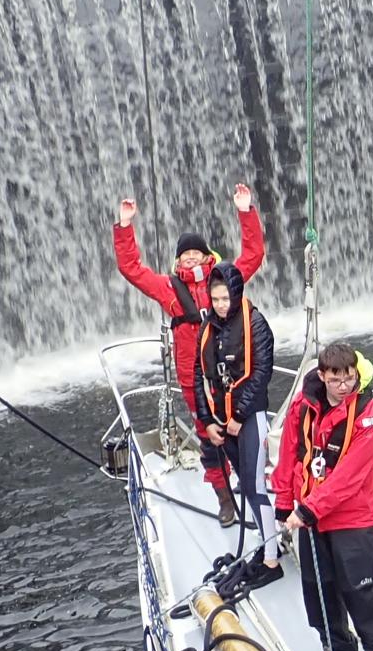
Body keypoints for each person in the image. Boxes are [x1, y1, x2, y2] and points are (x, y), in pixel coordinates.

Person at [114, 184, 265, 527]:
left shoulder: (224, 279)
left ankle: (252, 490)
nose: (191, 257)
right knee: (208, 437)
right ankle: (225, 500)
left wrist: (246, 211)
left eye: (196, 252)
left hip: (230, 370)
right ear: (178, 259)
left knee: (241, 430)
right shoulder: (168, 288)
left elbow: (253, 254)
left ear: (206, 253)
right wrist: (125, 226)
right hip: (192, 376)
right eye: (185, 254)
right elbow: (131, 268)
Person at [273, 342, 373, 651]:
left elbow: (350, 475)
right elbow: (290, 454)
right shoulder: (303, 406)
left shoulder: (370, 417)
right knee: (318, 587)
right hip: (310, 516)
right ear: (323, 376)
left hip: (353, 517)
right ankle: (337, 646)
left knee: (362, 588)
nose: (344, 386)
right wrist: (285, 501)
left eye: (349, 378)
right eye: (336, 378)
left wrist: (308, 508)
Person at [193, 265, 281, 564]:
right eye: (215, 299)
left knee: (255, 485)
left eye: (225, 299)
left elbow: (261, 372)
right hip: (221, 420)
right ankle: (264, 536)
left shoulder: (256, 324)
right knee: (244, 484)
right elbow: (199, 375)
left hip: (249, 418)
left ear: (236, 295)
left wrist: (240, 416)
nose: (220, 305)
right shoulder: (207, 327)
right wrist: (207, 422)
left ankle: (272, 554)